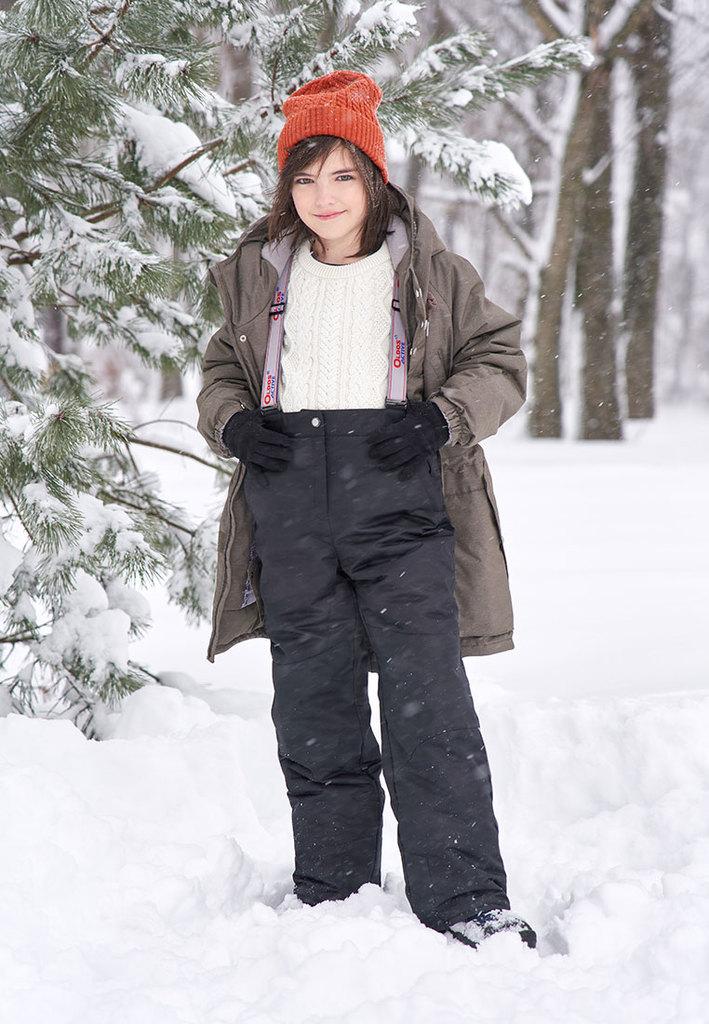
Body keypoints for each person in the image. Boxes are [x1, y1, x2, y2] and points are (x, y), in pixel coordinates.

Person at [197, 70, 536, 950]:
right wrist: (233, 422)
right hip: (289, 506)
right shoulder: (256, 272)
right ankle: (332, 890)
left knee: (429, 705)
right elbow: (222, 369)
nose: (323, 196)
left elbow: (500, 361)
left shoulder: (431, 270)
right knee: (313, 707)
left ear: (374, 178)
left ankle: (465, 899)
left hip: (399, 499)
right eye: (305, 177)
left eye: (342, 174)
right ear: (286, 187)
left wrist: (441, 417)